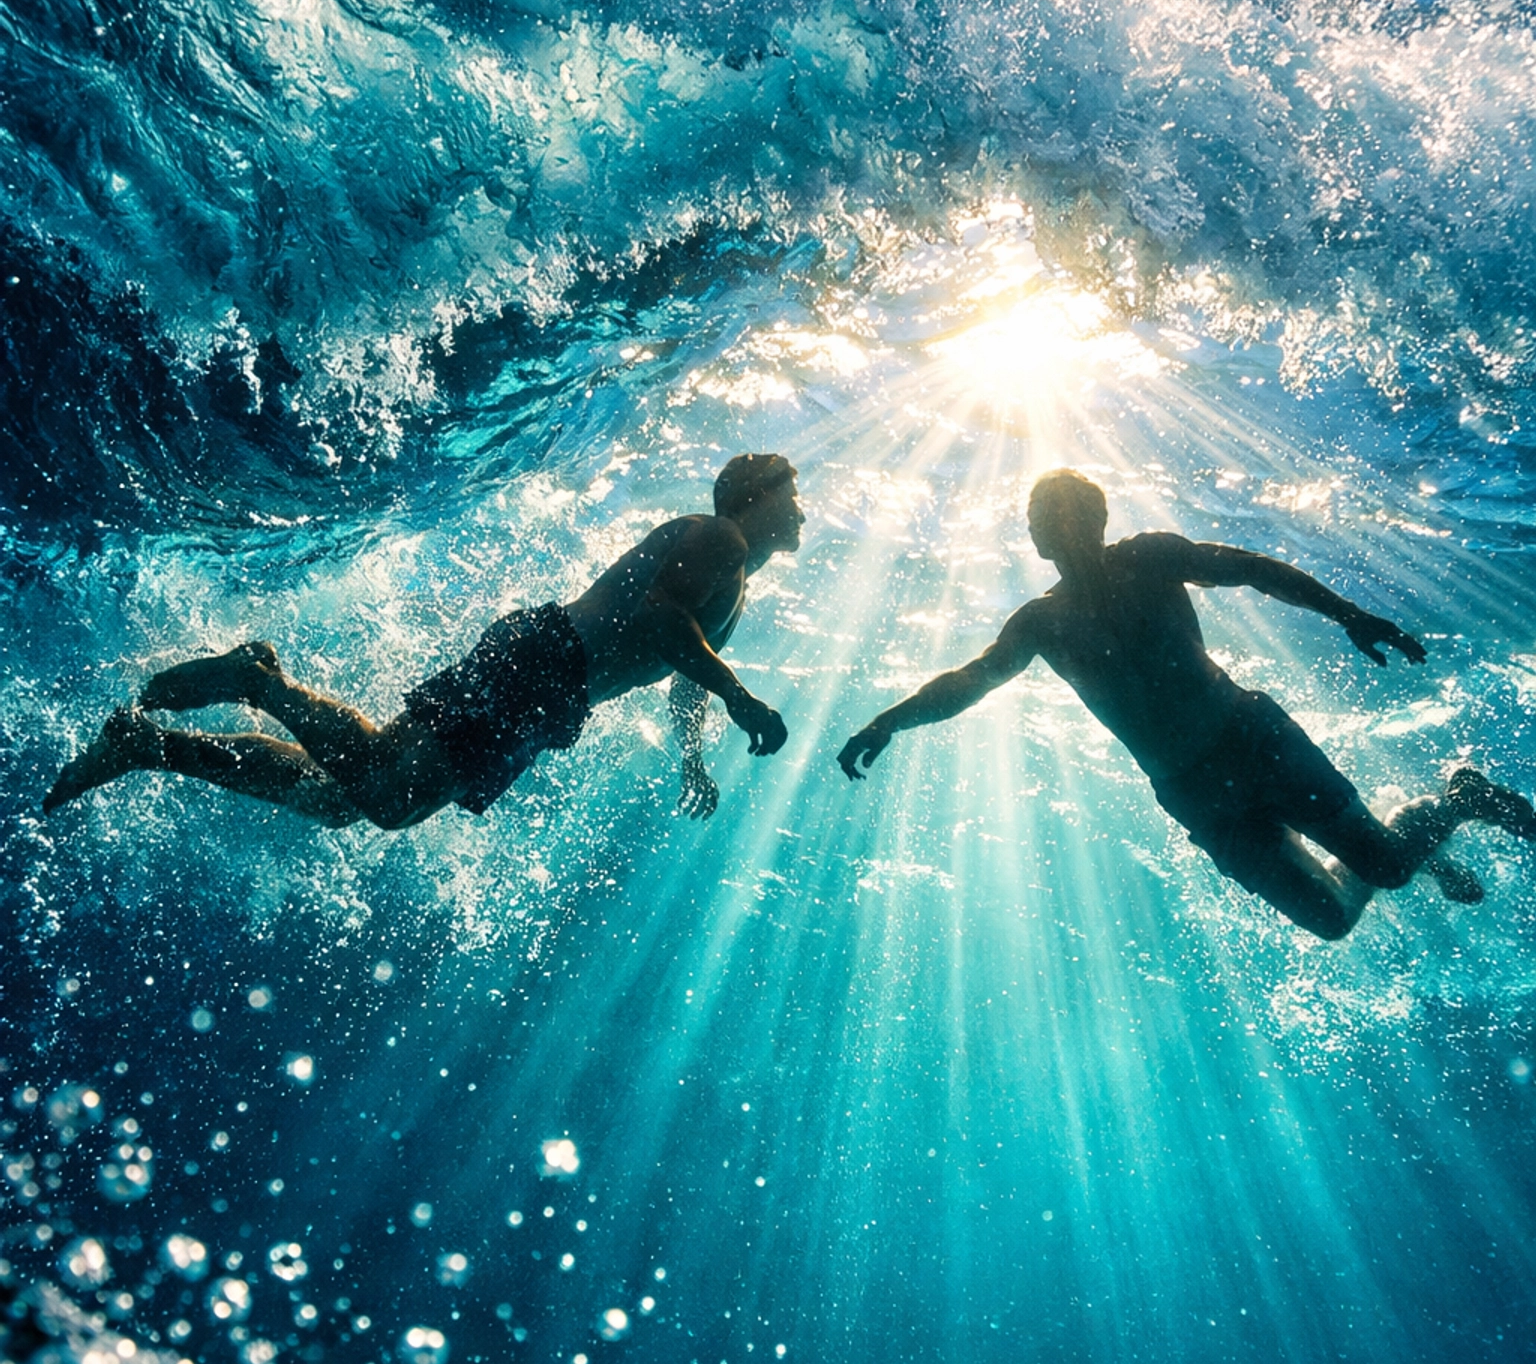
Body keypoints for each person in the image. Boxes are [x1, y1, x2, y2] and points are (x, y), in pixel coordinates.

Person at [838, 467, 1536, 940]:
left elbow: (1251, 570)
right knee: (1331, 920)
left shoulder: (1150, 557)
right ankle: (1412, 842)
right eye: (1037, 519)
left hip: (1253, 741)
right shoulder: (1039, 622)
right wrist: (888, 720)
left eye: (1056, 514)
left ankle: (1458, 802)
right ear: (1038, 539)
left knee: (1384, 867)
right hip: (1192, 793)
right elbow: (974, 678)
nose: (1045, 528)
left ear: (1093, 521)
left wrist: (1348, 613)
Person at [44, 455, 803, 831]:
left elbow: (683, 673)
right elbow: (661, 622)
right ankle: (257, 681)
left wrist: (696, 755)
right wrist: (741, 694)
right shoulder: (724, 538)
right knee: (387, 798)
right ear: (757, 497)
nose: (800, 512)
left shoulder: (739, 585)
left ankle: (145, 745)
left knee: (342, 796)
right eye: (791, 496)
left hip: (546, 683)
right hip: (546, 668)